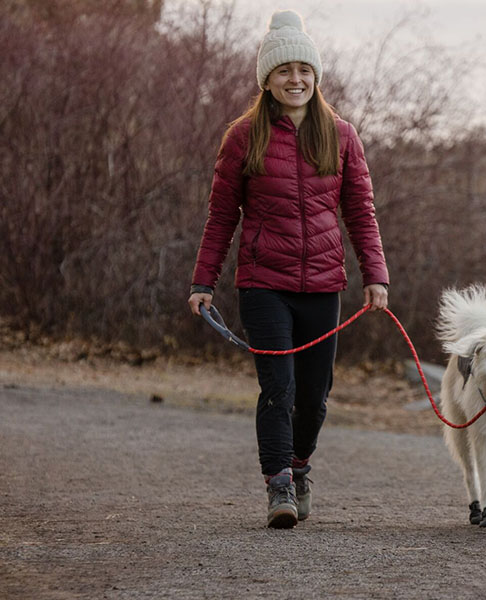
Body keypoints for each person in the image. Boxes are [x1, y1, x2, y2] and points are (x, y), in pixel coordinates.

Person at [187, 10, 389, 529]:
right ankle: (278, 483)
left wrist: (377, 275)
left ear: (315, 76)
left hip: (324, 284)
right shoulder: (242, 137)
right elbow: (221, 215)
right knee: (278, 387)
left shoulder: (342, 136)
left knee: (316, 395)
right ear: (267, 80)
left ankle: (300, 466)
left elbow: (361, 211)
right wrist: (202, 281)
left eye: (304, 69)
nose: (295, 79)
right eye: (284, 71)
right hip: (263, 283)